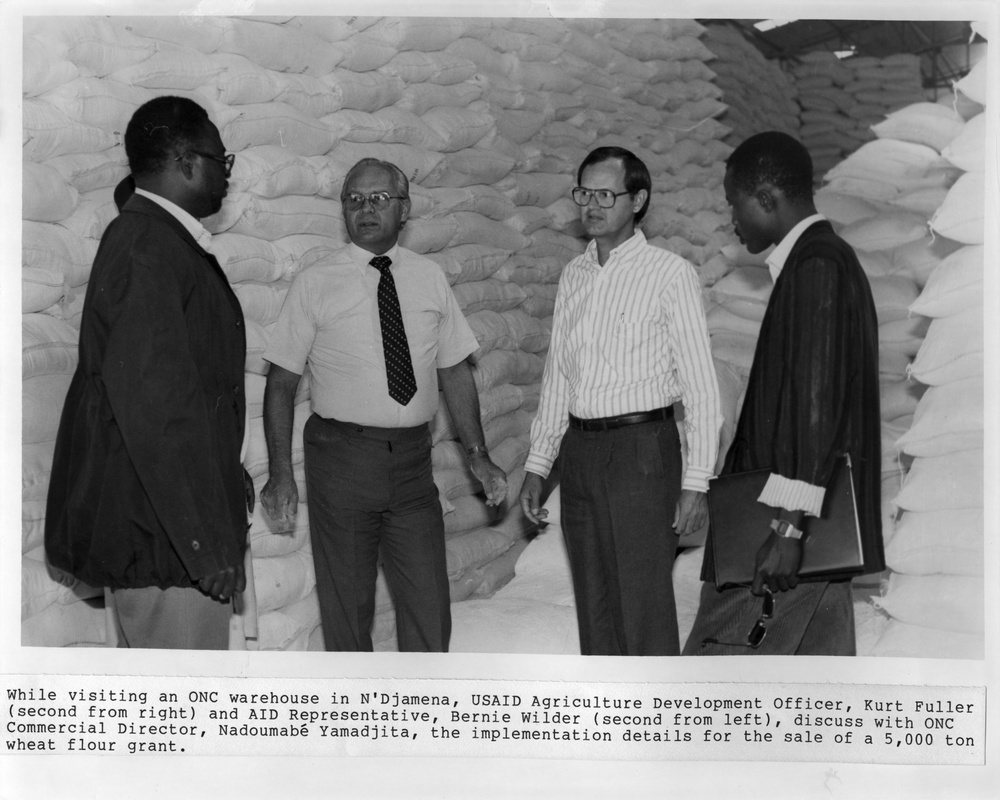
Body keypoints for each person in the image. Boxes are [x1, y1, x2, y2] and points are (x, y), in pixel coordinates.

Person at [261, 157, 507, 652]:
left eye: (378, 199)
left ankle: (422, 721)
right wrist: (280, 472)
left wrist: (478, 455)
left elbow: (455, 369)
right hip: (342, 462)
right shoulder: (316, 281)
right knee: (348, 610)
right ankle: (357, 724)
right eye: (354, 199)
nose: (365, 209)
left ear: (405, 208)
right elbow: (281, 382)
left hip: (414, 466)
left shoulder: (429, 277)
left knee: (428, 606)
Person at [45, 96, 249, 650]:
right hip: (165, 545)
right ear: (186, 161)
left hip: (164, 534)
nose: (226, 175)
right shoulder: (147, 249)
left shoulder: (158, 242)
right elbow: (156, 411)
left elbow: (186, 390)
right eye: (220, 160)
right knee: (186, 713)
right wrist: (204, 544)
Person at [683, 131, 883, 656]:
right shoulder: (827, 260)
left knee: (707, 695)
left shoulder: (816, 266)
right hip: (822, 533)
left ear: (767, 199)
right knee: (820, 706)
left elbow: (815, 410)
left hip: (784, 530)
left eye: (734, 202)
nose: (732, 217)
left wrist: (788, 530)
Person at [519, 146, 723, 656]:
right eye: (583, 193)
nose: (591, 205)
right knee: (596, 604)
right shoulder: (575, 275)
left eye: (605, 194)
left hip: (642, 453)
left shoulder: (669, 274)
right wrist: (539, 464)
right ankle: (610, 725)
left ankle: (656, 728)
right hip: (582, 453)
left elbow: (700, 387)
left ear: (638, 200)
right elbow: (558, 378)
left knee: (642, 605)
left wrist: (696, 483)